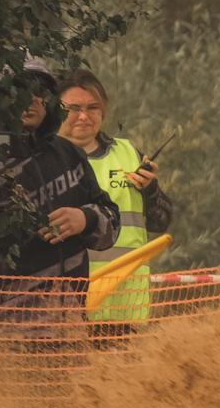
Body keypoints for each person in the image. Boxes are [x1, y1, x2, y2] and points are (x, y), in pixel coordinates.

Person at [0, 56, 120, 344]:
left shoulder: (68, 153)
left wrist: (85, 218)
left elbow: (111, 224)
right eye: (16, 90)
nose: (30, 100)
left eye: (39, 92)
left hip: (67, 326)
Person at [56, 70, 173, 337]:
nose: (84, 116)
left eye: (92, 108)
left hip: (123, 307)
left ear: (104, 111)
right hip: (63, 308)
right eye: (74, 108)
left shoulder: (128, 153)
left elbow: (161, 222)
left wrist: (151, 190)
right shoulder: (42, 160)